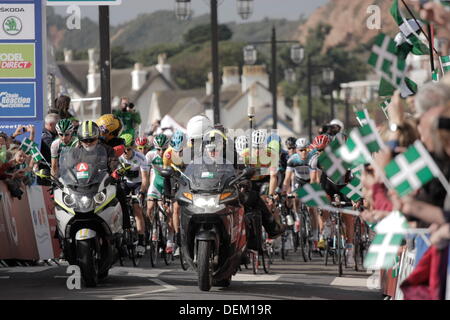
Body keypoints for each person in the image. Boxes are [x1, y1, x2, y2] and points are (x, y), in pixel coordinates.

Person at [118, 133, 150, 256]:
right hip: (125, 183)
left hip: (138, 184)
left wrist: (141, 192)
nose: (126, 152)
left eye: (128, 149)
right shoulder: (119, 157)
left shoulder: (141, 158)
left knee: (137, 209)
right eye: (123, 149)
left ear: (133, 148)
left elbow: (145, 179)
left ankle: (141, 242)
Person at [146, 133, 173, 253]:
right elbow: (144, 171)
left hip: (168, 184)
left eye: (164, 149)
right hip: (156, 183)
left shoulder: (172, 154)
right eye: (158, 149)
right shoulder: (150, 155)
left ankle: (170, 240)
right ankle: (154, 228)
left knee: (169, 212)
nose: (161, 152)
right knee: (150, 207)